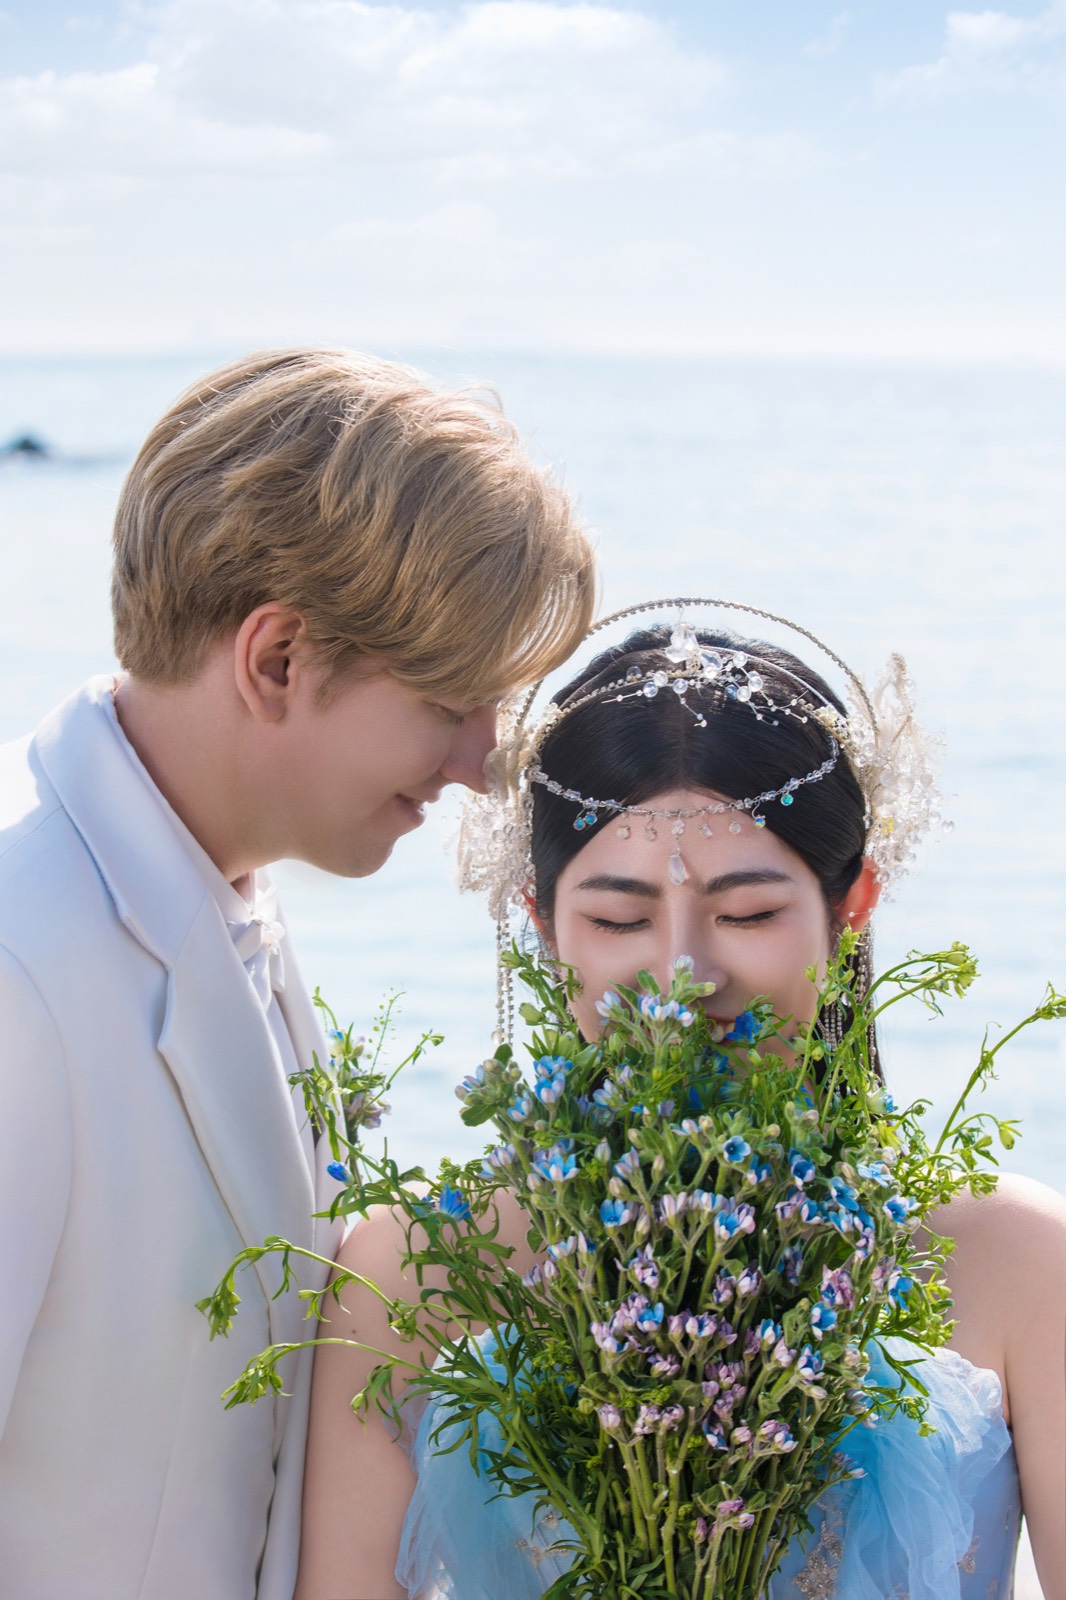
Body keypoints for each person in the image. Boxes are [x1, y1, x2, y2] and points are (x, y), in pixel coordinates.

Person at [295, 601, 1066, 1600]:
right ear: (541, 921)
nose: (682, 973)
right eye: (619, 918)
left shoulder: (1017, 1259)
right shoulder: (414, 1265)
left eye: (746, 911)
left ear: (851, 903)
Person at [0, 347, 596, 1600]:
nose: (483, 763)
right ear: (276, 660)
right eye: (449, 698)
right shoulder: (19, 956)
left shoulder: (222, 890)